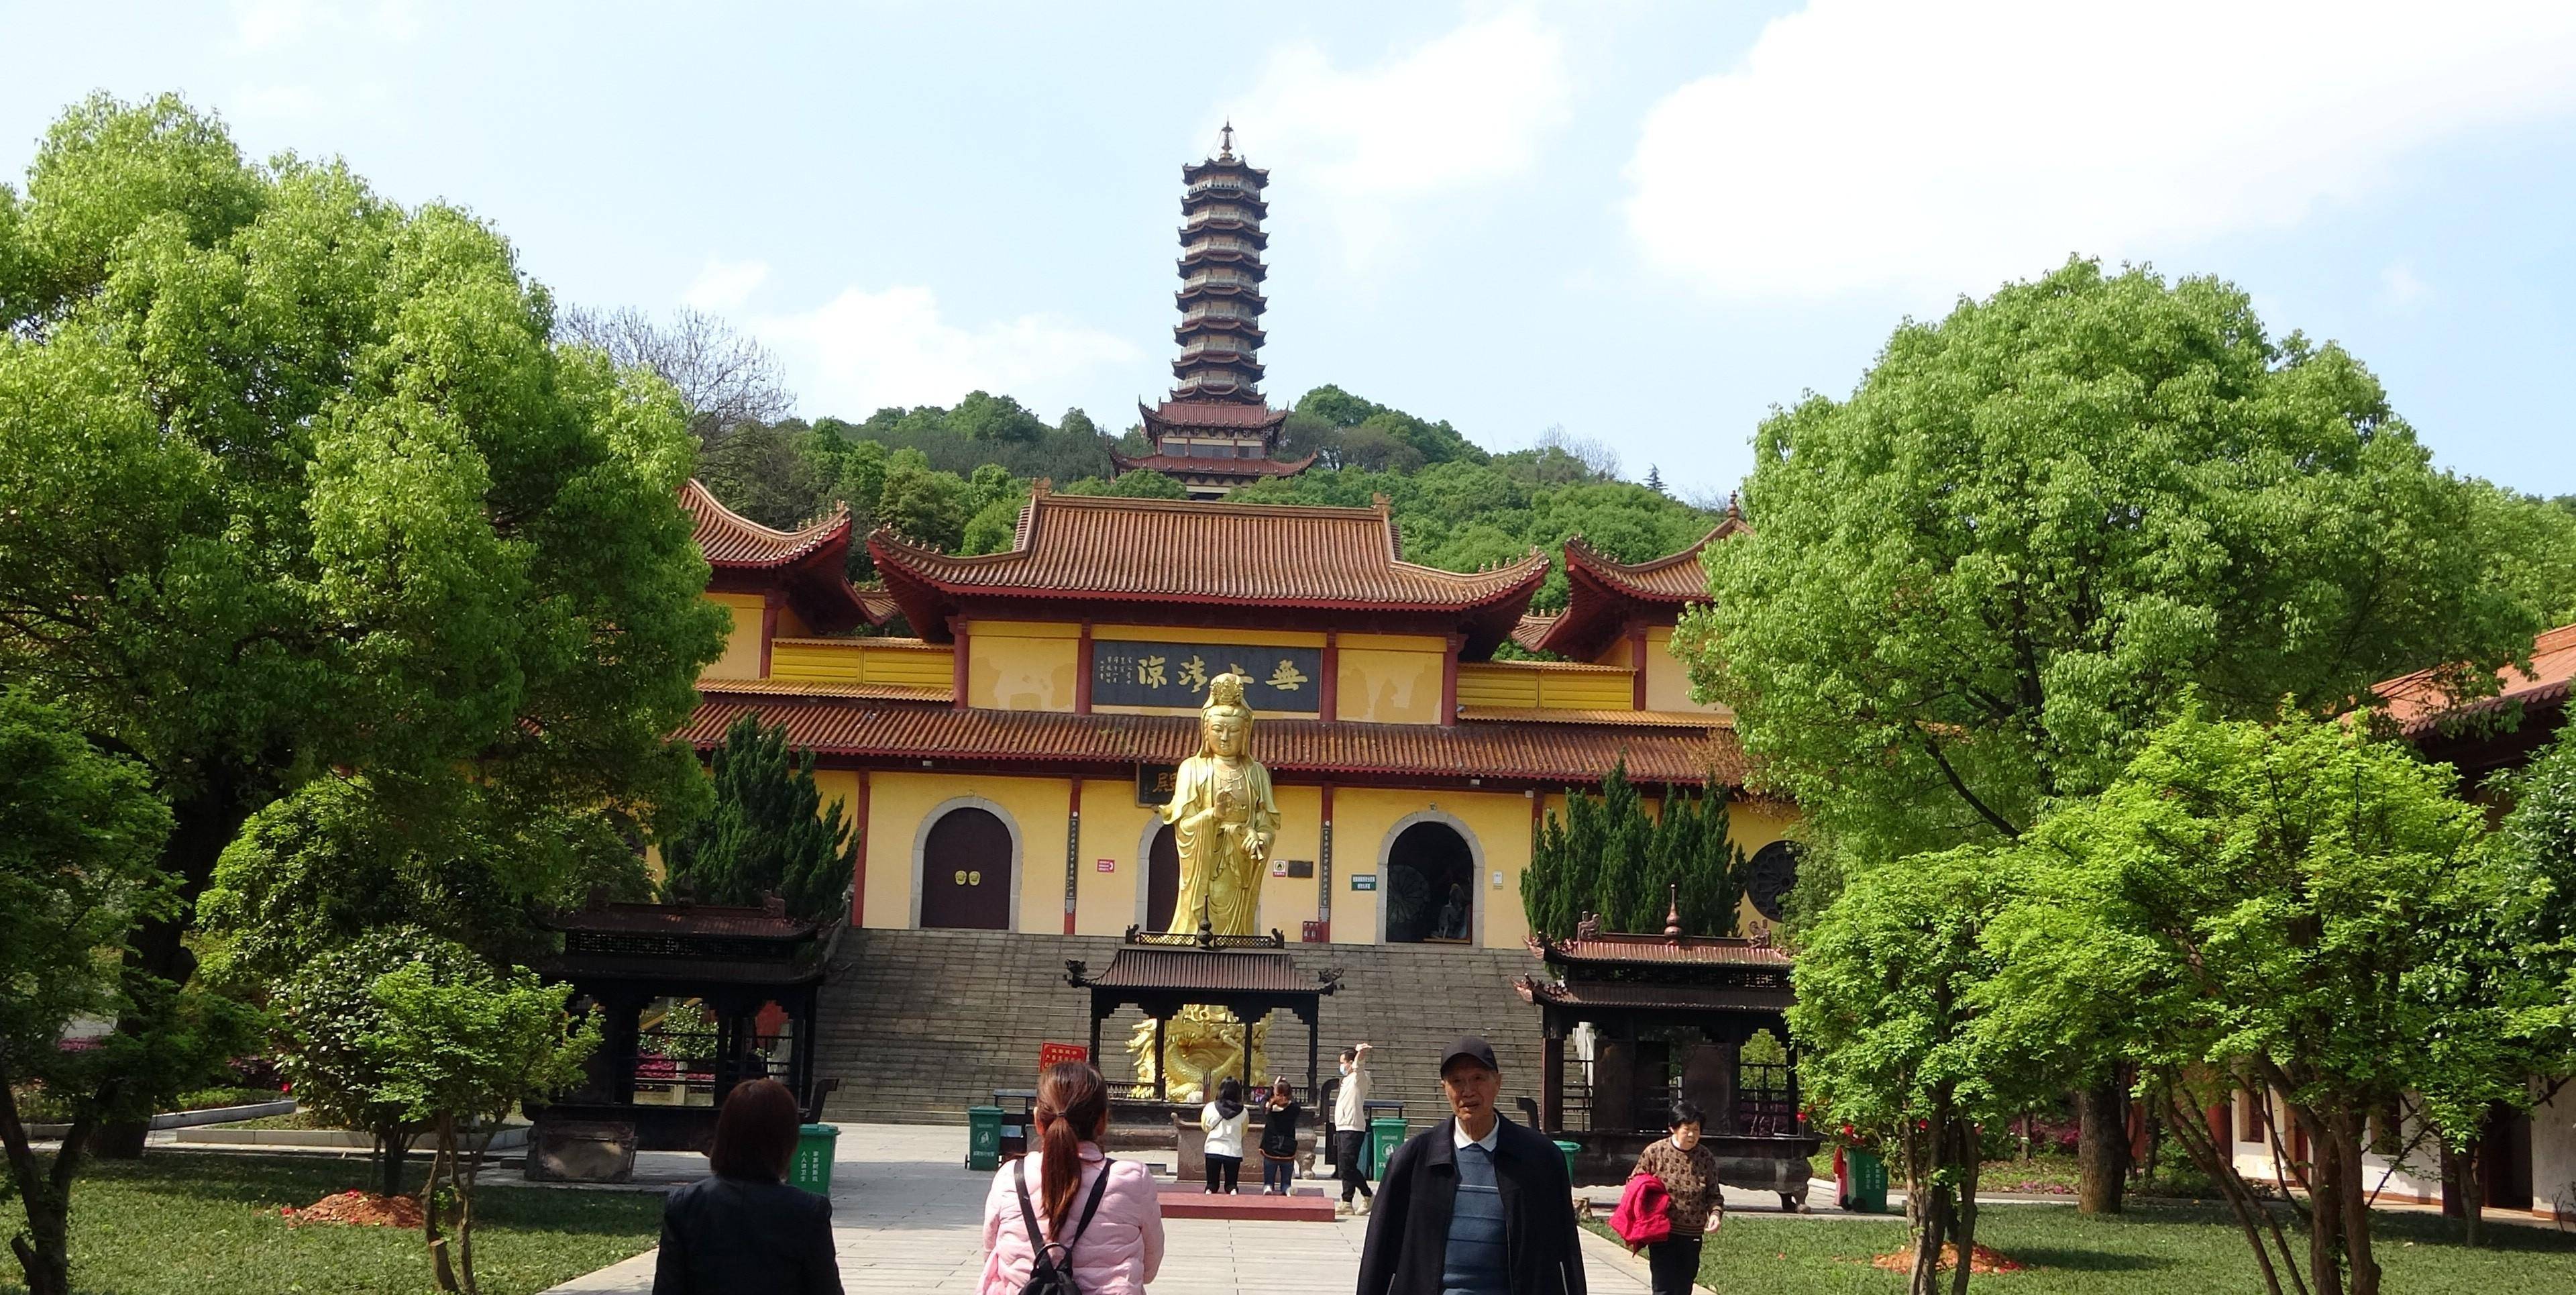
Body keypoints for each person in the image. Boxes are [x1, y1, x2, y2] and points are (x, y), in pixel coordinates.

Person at [1355, 1037, 1586, 1295]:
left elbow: (1566, 1253)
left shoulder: (1540, 1158)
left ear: (1498, 1083)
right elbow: (1380, 1250)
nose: (1468, 1091)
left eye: (1478, 1078)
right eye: (1457, 1081)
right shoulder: (1413, 1159)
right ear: (1444, 1088)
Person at [980, 1061, 1163, 1295]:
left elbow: (992, 1255)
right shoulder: (1132, 1180)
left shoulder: (1010, 1177)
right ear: (1103, 1121)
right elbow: (1149, 1269)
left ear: (1038, 1121)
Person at [652, 1078, 842, 1294]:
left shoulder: (685, 1204)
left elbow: (667, 1288)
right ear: (787, 1139)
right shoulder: (808, 1211)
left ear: (724, 1133)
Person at [1629, 1100, 1724, 1295]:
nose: (1692, 1135)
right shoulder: (1655, 1152)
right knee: (1663, 1286)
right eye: (1686, 1129)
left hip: (1691, 1232)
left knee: (1684, 1286)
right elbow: (1635, 1183)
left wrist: (1715, 1214)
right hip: (1662, 1230)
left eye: (1696, 1130)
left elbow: (1714, 1194)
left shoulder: (1706, 1157)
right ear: (1673, 1128)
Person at [1332, 1042, 1375, 1216]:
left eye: (1343, 1062)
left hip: (1353, 1128)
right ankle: (1347, 1201)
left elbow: (1359, 1067)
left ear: (1351, 1062)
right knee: (1344, 1166)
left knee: (1348, 1166)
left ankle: (1368, 1194)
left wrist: (1360, 1054)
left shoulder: (1360, 1078)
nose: (1342, 1066)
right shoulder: (1347, 1080)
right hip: (1342, 1126)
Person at [1201, 1078, 1249, 1194]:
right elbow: (1244, 1131)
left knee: (1212, 1184)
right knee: (1231, 1184)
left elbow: (1205, 1127)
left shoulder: (1210, 1107)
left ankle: (1209, 1190)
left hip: (1213, 1148)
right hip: (1233, 1150)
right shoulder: (1243, 1111)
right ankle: (1232, 1190)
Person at [1259, 1078, 1303, 1195]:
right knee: (1286, 1180)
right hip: (1287, 1148)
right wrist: (1285, 1090)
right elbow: (1294, 1103)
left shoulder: (1268, 1109)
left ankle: (1268, 1186)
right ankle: (1286, 1188)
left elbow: (1263, 1101)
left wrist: (1273, 1088)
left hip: (1271, 1147)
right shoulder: (1294, 1109)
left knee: (1269, 1177)